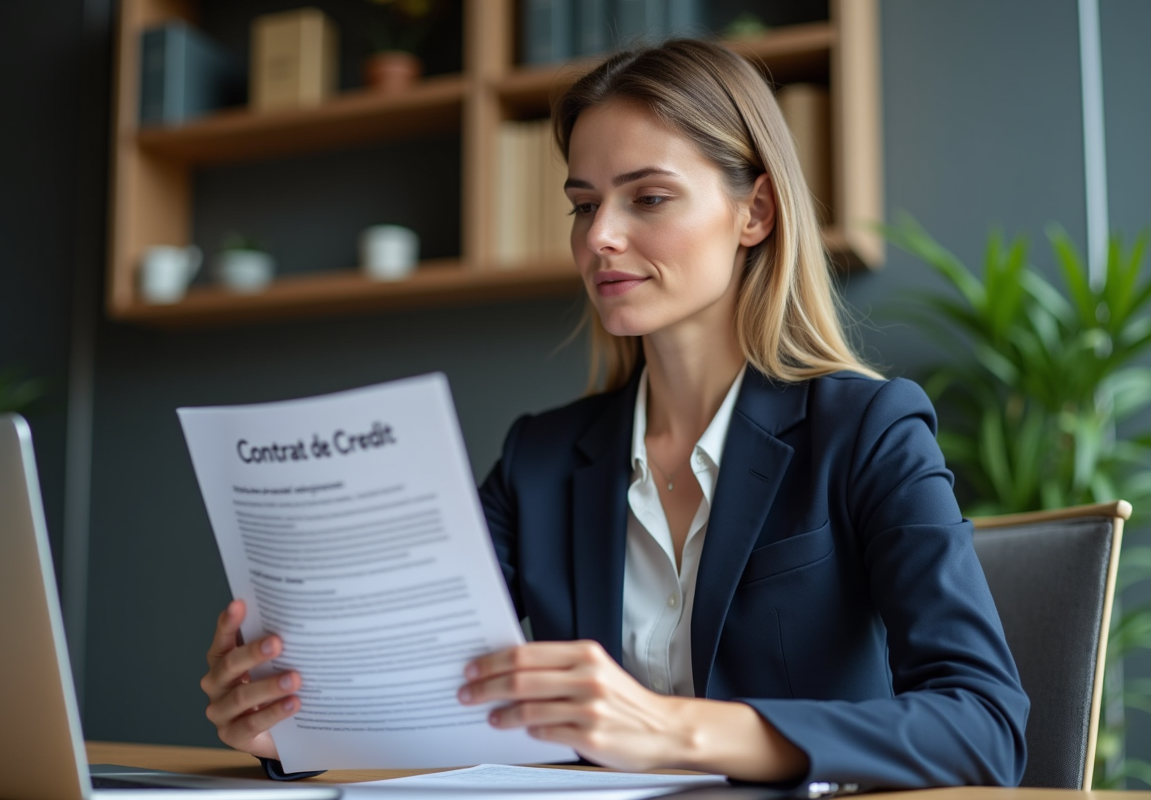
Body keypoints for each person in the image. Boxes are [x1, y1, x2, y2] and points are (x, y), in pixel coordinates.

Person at [200, 39, 1029, 788]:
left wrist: (673, 728)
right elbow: (415, 681)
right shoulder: (541, 458)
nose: (601, 236)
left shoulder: (866, 429)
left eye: (649, 198)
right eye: (584, 203)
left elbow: (984, 726)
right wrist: (289, 718)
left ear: (756, 212)